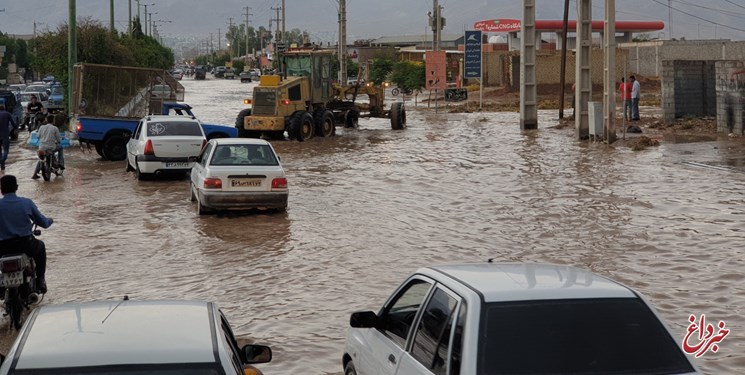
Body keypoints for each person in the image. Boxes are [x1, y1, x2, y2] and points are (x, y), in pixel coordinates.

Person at [0, 175, 50, 294]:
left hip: (2, 248)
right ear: (16, 187)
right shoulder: (26, 203)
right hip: (26, 245)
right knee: (41, 247)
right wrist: (50, 221)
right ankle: (41, 280)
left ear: (1, 190)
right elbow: (43, 222)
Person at [32, 114, 65, 179]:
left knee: (41, 159)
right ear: (53, 120)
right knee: (60, 147)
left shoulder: (41, 127)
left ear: (47, 120)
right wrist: (58, 141)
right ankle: (61, 163)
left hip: (41, 148)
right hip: (51, 147)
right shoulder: (55, 128)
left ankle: (35, 174)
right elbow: (58, 139)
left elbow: (38, 136)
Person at [0, 104, 16, 171]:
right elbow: (13, 123)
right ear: (4, 108)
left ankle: (2, 164)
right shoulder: (7, 114)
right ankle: (2, 160)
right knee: (6, 150)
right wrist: (15, 128)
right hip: (5, 134)